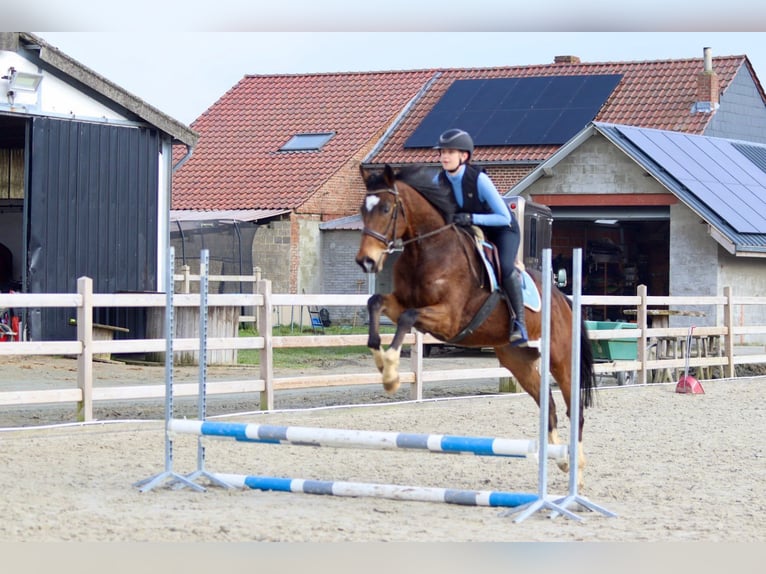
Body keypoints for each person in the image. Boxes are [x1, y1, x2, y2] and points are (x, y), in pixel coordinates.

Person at [433, 128, 528, 347]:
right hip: (471, 230)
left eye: (449, 152)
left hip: (502, 230)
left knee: (504, 267)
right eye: (441, 153)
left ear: (463, 156)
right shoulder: (438, 181)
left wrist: (472, 218)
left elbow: (504, 217)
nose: (444, 157)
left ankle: (519, 323)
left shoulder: (479, 180)